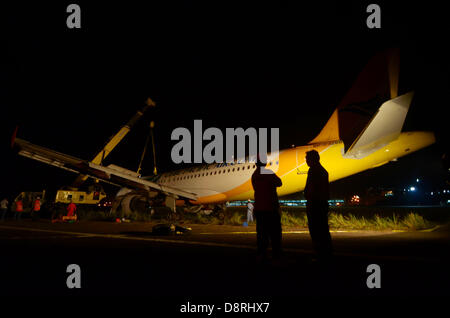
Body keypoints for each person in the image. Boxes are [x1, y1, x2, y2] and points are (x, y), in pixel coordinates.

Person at [251, 155, 283, 262]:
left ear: (256, 164)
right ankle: (276, 256)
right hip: (270, 207)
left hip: (260, 208)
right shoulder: (268, 173)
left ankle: (261, 254)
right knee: (275, 234)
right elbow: (279, 183)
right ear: (265, 163)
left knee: (261, 234)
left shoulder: (254, 175)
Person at [304, 150, 333, 262]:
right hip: (321, 204)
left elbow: (311, 189)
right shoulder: (323, 171)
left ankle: (320, 255)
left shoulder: (313, 171)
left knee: (316, 231)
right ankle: (327, 253)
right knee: (323, 230)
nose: (306, 161)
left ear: (313, 159)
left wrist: (307, 195)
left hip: (315, 204)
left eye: (307, 159)